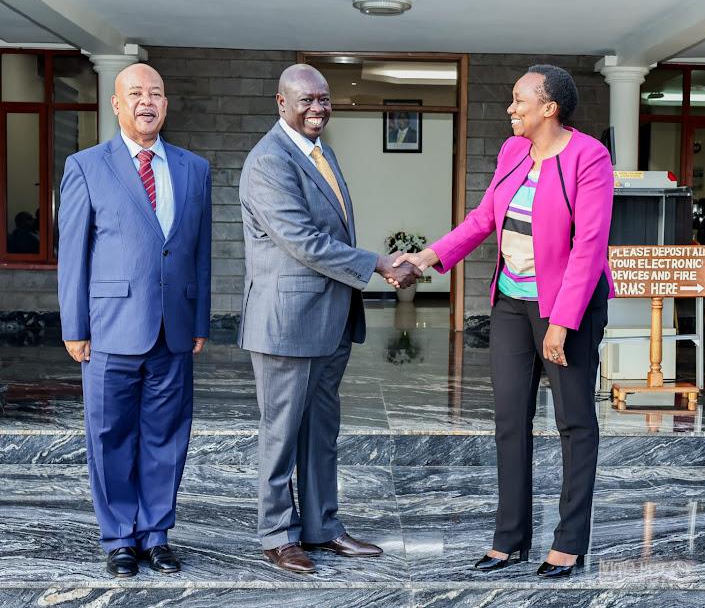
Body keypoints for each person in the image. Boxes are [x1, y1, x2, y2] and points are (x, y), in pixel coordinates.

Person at [395, 64, 613, 579]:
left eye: (519, 100)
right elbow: (484, 219)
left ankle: (568, 543)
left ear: (549, 107)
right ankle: (510, 539)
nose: (511, 108)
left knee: (574, 421)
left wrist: (562, 321)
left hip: (568, 307)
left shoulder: (590, 157)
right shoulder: (513, 152)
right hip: (513, 303)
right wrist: (427, 258)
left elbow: (589, 245)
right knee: (510, 422)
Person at [238, 63, 420, 574]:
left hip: (329, 320)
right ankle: (277, 534)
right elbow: (303, 241)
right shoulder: (268, 162)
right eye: (306, 100)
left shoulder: (320, 152)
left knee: (321, 430)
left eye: (324, 99)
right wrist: (378, 263)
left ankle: (321, 526)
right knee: (281, 433)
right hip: (286, 322)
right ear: (281, 102)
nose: (318, 107)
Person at [57, 63, 212, 578]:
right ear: (116, 104)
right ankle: (121, 537)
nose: (148, 101)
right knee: (109, 436)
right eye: (136, 93)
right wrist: (74, 326)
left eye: (157, 94)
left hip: (173, 328)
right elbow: (73, 252)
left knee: (168, 436)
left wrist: (199, 320)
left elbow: (200, 253)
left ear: (167, 105)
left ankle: (158, 534)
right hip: (109, 328)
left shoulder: (194, 169)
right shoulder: (85, 166)